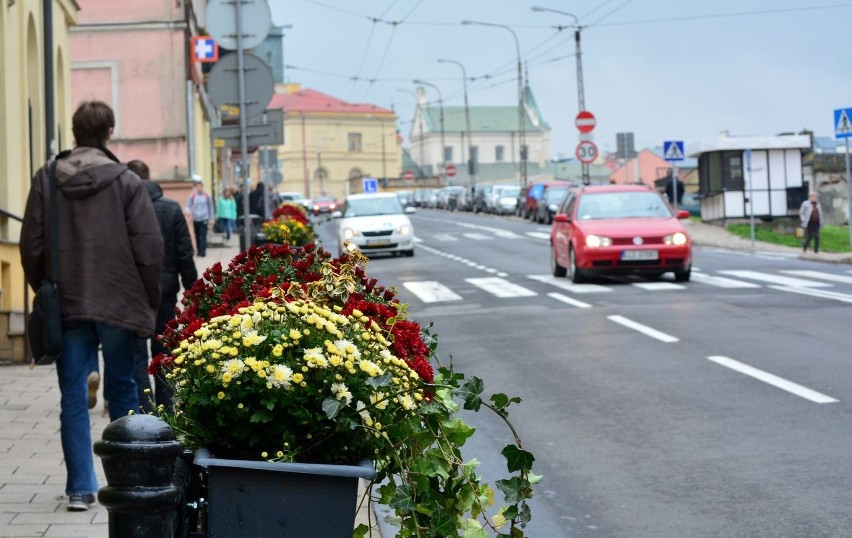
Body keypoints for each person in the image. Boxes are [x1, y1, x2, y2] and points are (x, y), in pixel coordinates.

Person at [20, 100, 163, 512]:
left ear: (74, 131)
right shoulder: (126, 181)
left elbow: (32, 244)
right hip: (119, 297)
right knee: (122, 386)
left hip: (67, 301)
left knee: (71, 395)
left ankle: (80, 488)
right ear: (109, 133)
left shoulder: (47, 178)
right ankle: (127, 478)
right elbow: (149, 249)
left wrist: (44, 291)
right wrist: (148, 300)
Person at [127, 159, 197, 412]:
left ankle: (143, 409)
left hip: (132, 293)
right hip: (165, 291)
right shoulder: (170, 208)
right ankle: (165, 407)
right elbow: (184, 253)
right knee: (164, 349)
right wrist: (193, 290)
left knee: (136, 353)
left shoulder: (124, 208)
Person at [185, 175, 214, 256]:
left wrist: (211, 218)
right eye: (197, 186)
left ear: (202, 186)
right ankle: (198, 250)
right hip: (196, 218)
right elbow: (188, 205)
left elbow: (211, 207)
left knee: (203, 235)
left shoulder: (207, 195)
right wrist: (187, 211)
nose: (199, 188)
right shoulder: (193, 195)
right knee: (197, 235)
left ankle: (203, 251)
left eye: (200, 186)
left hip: (204, 217)